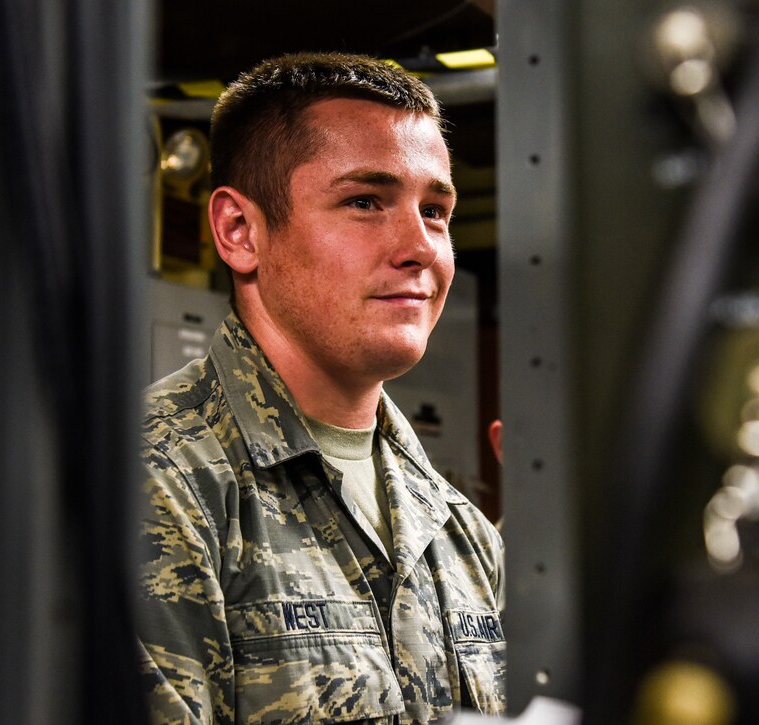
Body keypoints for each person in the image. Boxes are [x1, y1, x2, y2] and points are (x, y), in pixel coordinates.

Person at [135, 52, 506, 724]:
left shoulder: (460, 527)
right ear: (239, 231)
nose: (419, 246)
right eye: (365, 202)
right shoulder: (159, 481)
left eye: (435, 210)